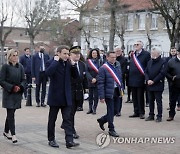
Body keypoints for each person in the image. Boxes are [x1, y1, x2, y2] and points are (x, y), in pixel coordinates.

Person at [46, 45, 79, 149]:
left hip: (66, 96)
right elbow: (48, 73)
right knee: (52, 119)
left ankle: (69, 141)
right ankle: (51, 139)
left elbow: (76, 77)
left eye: (67, 54)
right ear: (58, 53)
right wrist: (55, 62)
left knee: (67, 120)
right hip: (55, 96)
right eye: (64, 53)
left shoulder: (69, 64)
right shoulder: (51, 62)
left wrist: (73, 65)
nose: (66, 56)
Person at [0, 49, 25, 143]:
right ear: (9, 57)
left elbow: (23, 79)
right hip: (9, 93)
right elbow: (1, 80)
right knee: (11, 114)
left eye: (16, 55)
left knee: (11, 113)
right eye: (13, 55)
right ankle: (13, 134)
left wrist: (21, 86)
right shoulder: (5, 67)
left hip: (17, 93)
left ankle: (6, 131)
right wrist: (12, 87)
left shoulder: (20, 67)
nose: (15, 57)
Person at [97, 51, 123, 137]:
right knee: (111, 110)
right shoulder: (103, 68)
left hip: (117, 91)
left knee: (116, 110)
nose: (114, 59)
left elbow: (120, 79)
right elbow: (100, 83)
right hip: (109, 92)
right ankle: (111, 128)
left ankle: (103, 120)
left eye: (115, 57)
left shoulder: (117, 66)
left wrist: (122, 89)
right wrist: (102, 96)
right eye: (112, 57)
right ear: (107, 58)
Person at [66, 46, 87, 139]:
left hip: (78, 91)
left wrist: (86, 90)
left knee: (73, 112)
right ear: (70, 55)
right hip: (69, 90)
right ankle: (71, 130)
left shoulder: (82, 64)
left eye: (78, 54)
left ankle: (66, 124)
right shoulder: (67, 64)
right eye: (75, 54)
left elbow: (84, 78)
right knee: (70, 112)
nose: (77, 55)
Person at [129, 41, 151, 119]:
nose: (136, 46)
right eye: (135, 44)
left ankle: (142, 112)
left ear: (142, 45)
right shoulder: (132, 54)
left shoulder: (146, 54)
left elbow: (148, 66)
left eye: (137, 44)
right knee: (134, 96)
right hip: (132, 78)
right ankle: (136, 111)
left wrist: (146, 77)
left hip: (141, 78)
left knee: (140, 96)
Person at [145, 47, 166, 122]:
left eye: (154, 53)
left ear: (158, 54)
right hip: (149, 84)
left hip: (158, 84)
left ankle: (159, 116)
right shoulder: (149, 62)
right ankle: (151, 115)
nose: (152, 54)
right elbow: (146, 71)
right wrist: (147, 80)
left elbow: (162, 73)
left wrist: (154, 81)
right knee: (150, 101)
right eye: (152, 53)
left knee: (158, 101)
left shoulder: (163, 62)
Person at [166, 46, 180, 121]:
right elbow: (166, 72)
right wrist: (172, 78)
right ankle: (171, 115)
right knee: (173, 101)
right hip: (174, 84)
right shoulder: (171, 61)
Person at [86, 48, 101, 114]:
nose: (94, 54)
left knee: (96, 96)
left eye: (96, 53)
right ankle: (90, 108)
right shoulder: (88, 61)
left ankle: (94, 108)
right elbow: (86, 71)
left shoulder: (100, 61)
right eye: (93, 53)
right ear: (91, 54)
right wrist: (91, 78)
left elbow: (101, 71)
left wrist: (96, 79)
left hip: (97, 80)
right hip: (90, 80)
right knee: (90, 95)